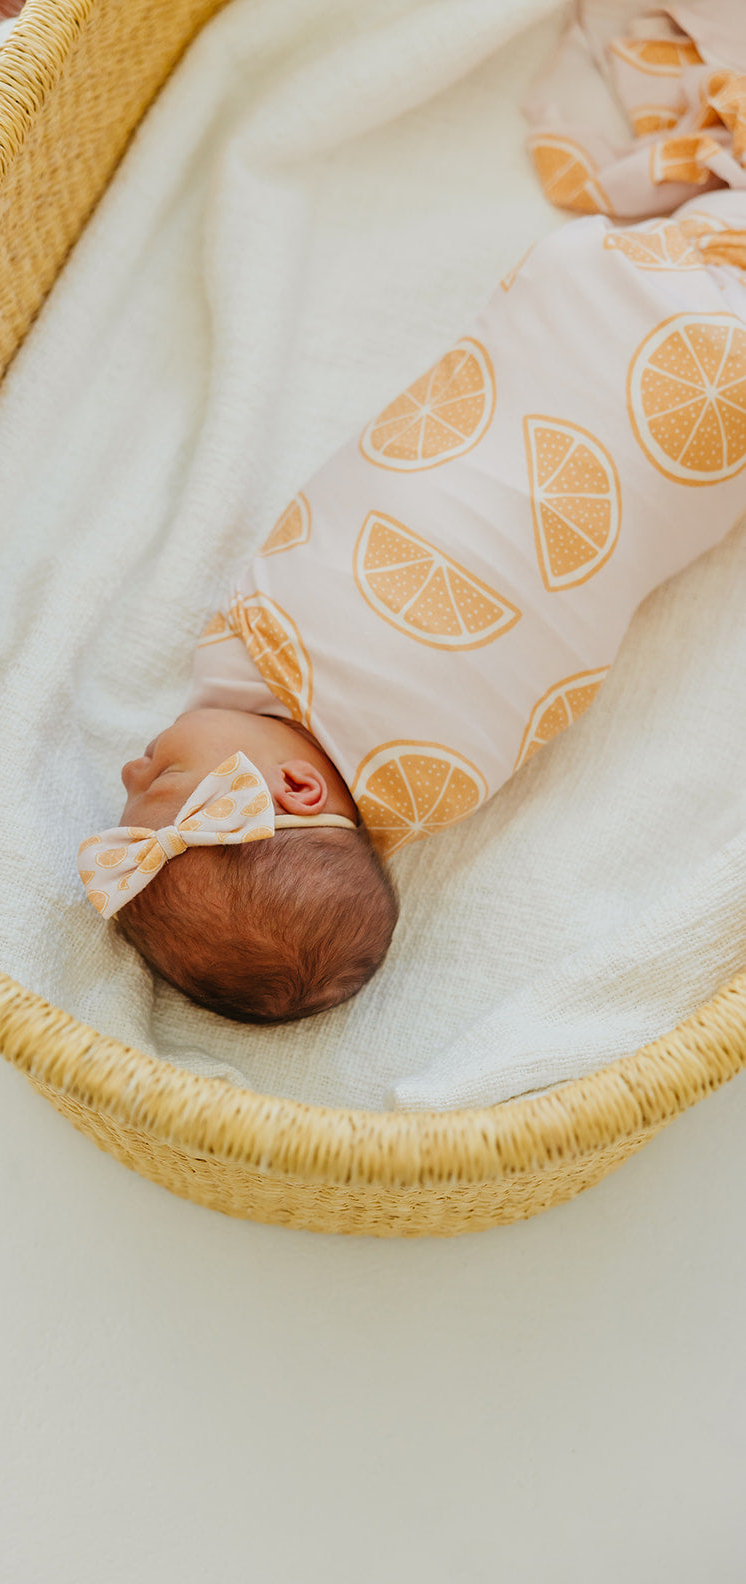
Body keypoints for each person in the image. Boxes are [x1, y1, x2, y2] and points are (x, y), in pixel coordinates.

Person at [78, 189, 746, 1024]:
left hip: (695, 458)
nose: (131, 769)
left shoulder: (440, 792)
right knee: (585, 295)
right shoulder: (277, 652)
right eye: (164, 776)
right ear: (294, 786)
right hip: (616, 365)